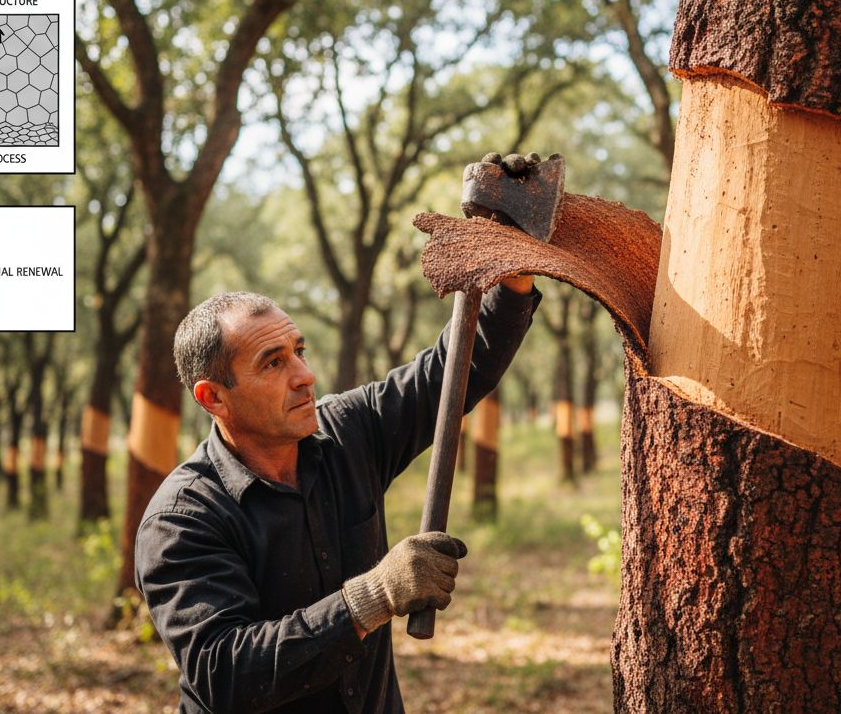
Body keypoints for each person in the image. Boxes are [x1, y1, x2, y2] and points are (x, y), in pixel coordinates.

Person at [135, 271, 541, 713]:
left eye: (299, 351)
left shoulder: (349, 432)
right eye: (273, 363)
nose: (304, 376)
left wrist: (513, 277)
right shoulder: (181, 520)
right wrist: (374, 595)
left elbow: (453, 371)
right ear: (213, 398)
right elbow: (225, 673)